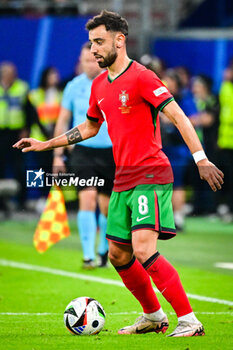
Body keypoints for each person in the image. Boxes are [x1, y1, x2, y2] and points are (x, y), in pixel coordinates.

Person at [13, 10, 224, 337]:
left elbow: (179, 116)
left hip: (150, 172)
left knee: (143, 249)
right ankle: (153, 316)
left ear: (119, 40)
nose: (93, 49)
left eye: (99, 42)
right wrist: (46, 145)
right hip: (123, 176)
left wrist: (200, 158)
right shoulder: (98, 84)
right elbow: (89, 126)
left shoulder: (143, 77)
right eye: (91, 43)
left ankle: (189, 321)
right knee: (118, 254)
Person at [53, 42, 115, 268]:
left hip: (111, 152)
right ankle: (88, 255)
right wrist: (58, 155)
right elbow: (62, 120)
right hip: (82, 152)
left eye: (92, 60)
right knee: (87, 199)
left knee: (107, 207)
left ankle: (102, 252)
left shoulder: (114, 84)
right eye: (85, 61)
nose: (89, 64)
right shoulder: (74, 86)